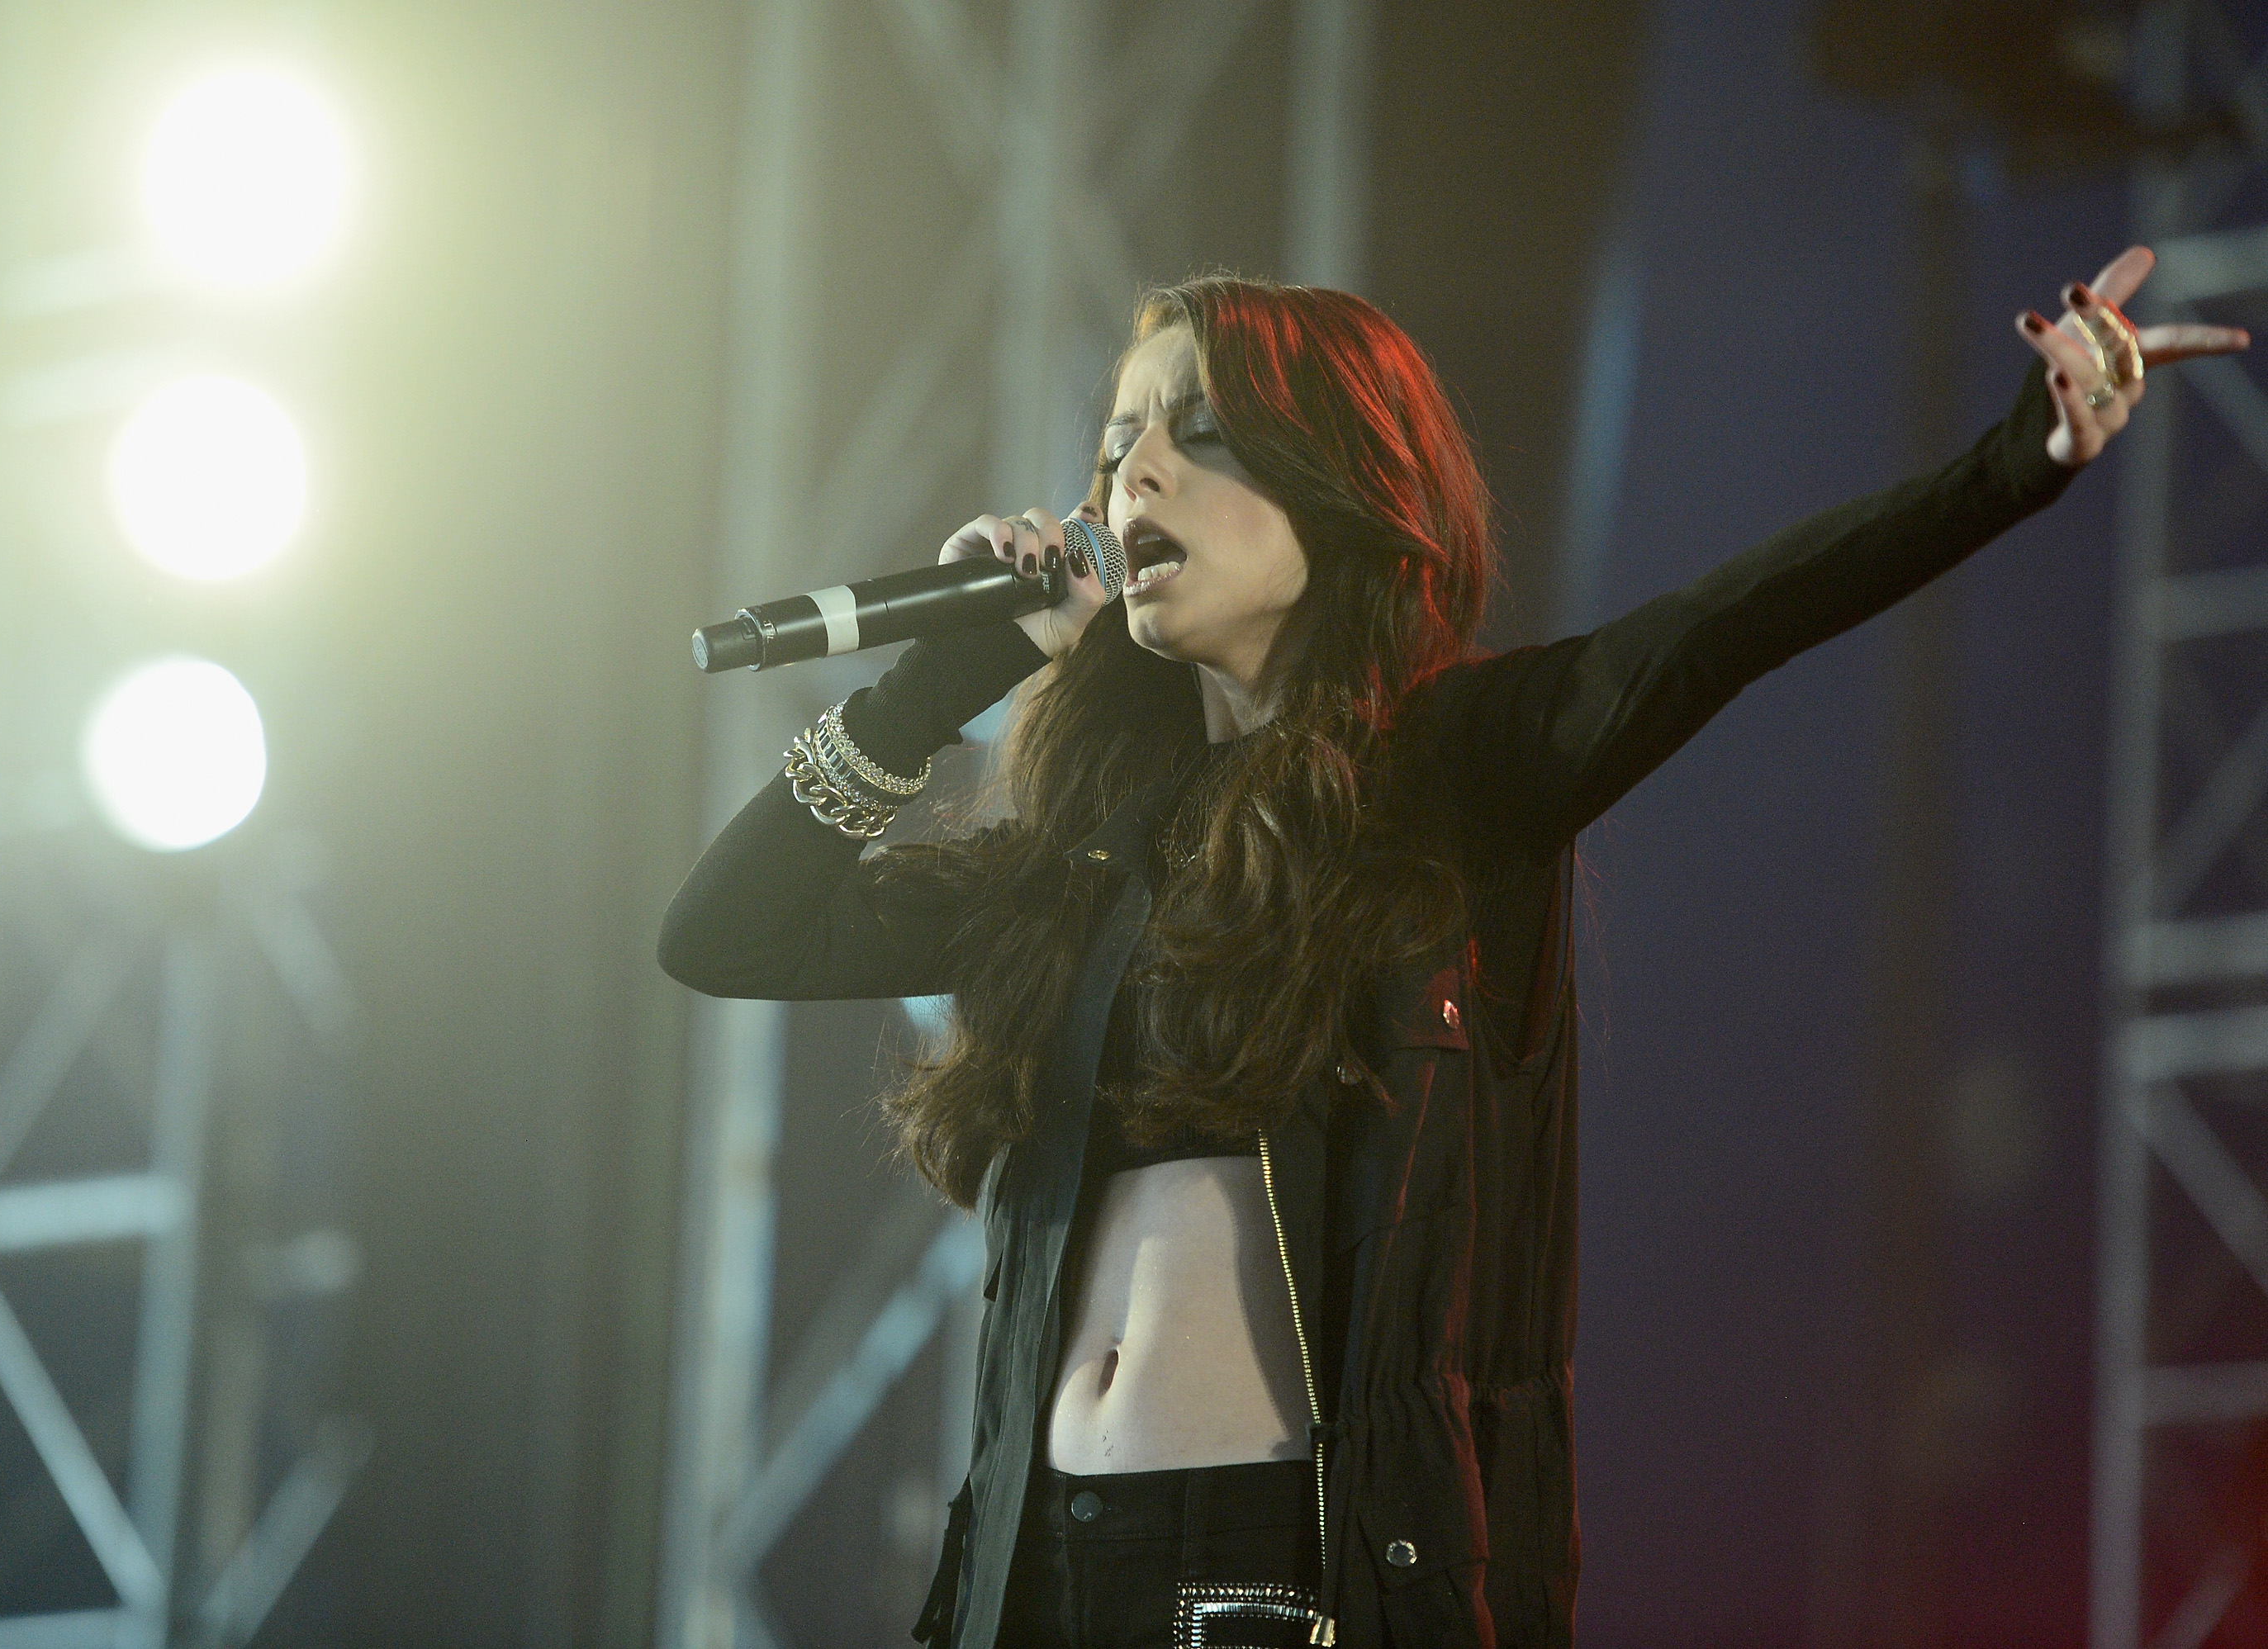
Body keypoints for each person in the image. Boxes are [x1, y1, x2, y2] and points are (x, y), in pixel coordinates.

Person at [658, 249, 2247, 1649]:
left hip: (1280, 1585)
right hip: (1028, 1578)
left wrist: (2022, 456)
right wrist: (942, 675)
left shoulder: (1456, 773)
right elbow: (724, 931)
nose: (1132, 472)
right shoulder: (1083, 857)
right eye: (1116, 439)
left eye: (1197, 431)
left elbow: (1732, 623)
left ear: (1337, 477)